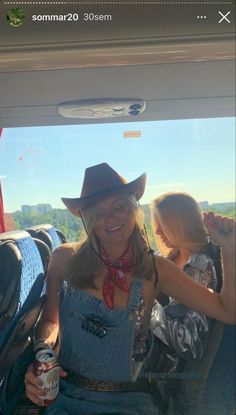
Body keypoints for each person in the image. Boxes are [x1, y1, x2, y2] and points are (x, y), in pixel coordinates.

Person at [24, 163, 235, 415]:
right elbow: (49, 320)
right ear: (87, 218)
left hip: (129, 402)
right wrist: (43, 353)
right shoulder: (63, 259)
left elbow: (226, 310)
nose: (110, 218)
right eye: (98, 212)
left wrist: (229, 249)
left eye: (119, 207)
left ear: (134, 210)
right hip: (65, 397)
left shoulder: (156, 268)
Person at [149, 192, 225, 414]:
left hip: (171, 379)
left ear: (179, 224)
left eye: (163, 224)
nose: (157, 232)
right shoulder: (174, 258)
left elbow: (189, 343)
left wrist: (146, 306)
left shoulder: (200, 265)